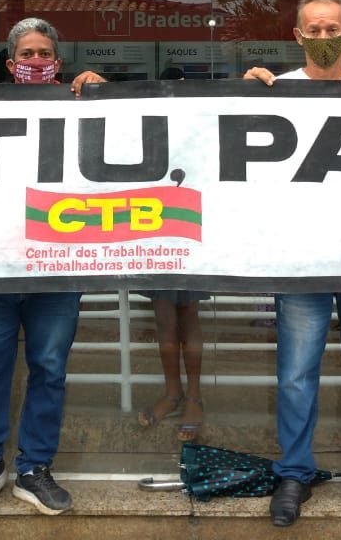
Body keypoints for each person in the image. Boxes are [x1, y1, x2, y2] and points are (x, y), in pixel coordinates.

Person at [243, 0, 341, 529]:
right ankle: (294, 472)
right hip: (301, 256)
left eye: (333, 28)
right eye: (314, 28)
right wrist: (241, 96)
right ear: (298, 36)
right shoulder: (276, 91)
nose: (324, 36)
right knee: (295, 374)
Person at [0, 18, 105, 516]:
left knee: (49, 367)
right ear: (10, 63)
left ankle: (34, 467)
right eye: (27, 54)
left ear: (58, 62)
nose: (37, 61)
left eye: (45, 53)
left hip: (58, 264)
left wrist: (106, 97)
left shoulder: (80, 104)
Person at [136, 66, 206, 441]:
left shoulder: (202, 131)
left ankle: (193, 396)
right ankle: (173, 393)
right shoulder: (145, 131)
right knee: (165, 320)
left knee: (189, 318)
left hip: (191, 234)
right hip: (156, 236)